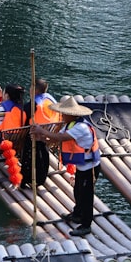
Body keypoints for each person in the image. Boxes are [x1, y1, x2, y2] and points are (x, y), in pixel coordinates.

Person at [30, 96, 101, 237]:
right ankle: (77, 213)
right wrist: (41, 138)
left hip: (90, 167)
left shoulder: (80, 127)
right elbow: (55, 138)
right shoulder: (69, 125)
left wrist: (41, 130)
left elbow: (61, 138)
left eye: (64, 114)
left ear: (71, 115)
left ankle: (86, 224)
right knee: (78, 191)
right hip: (81, 166)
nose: (62, 116)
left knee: (87, 196)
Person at [22, 78, 60, 188]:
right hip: (50, 132)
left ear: (35, 89)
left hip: (33, 134)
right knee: (43, 151)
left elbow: (23, 121)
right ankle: (41, 178)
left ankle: (26, 178)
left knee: (29, 150)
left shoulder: (33, 105)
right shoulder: (51, 100)